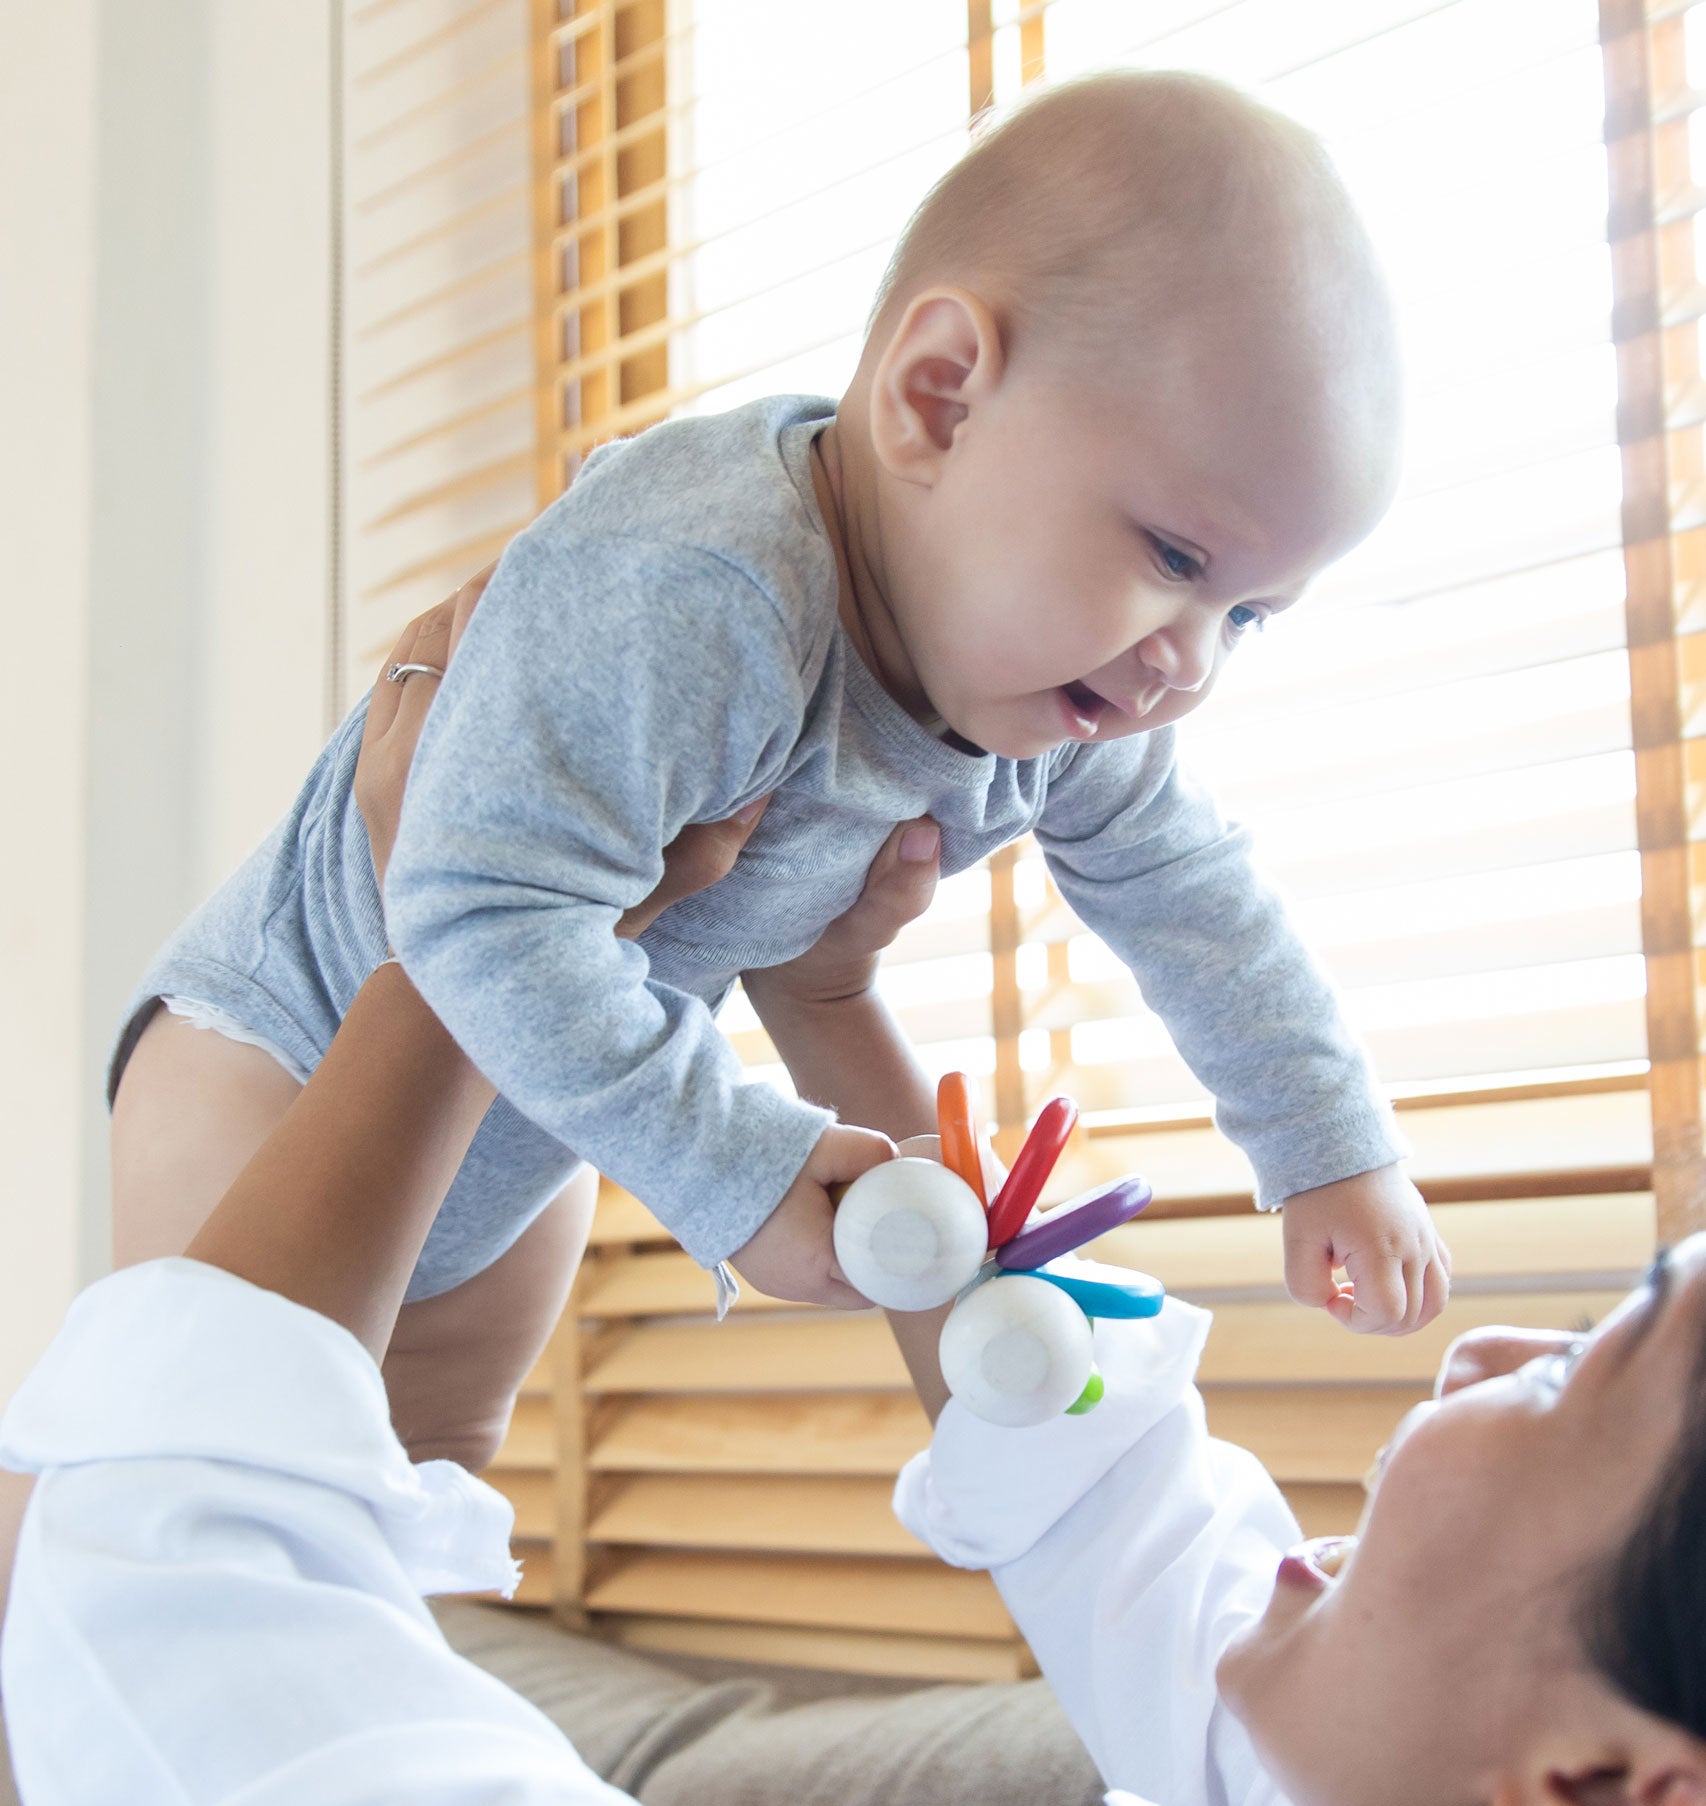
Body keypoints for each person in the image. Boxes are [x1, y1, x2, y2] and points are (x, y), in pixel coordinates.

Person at [5, 680, 1704, 1806]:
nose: (1489, 1342)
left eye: (1575, 1375)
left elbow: (202, 1669)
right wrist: (827, 1000)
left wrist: (467, 932)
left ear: (1606, 1799)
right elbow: (1110, 1492)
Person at [107, 69, 1449, 1477]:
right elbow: (477, 904)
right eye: (1175, 559)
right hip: (277, 1043)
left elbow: (1197, 900)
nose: (1191, 665)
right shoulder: (702, 588)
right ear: (939, 400)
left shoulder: (1073, 705)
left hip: (519, 1130)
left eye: (1244, 616)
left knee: (429, 1493)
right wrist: (735, 1166)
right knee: (198, 1469)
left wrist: (1327, 1145)